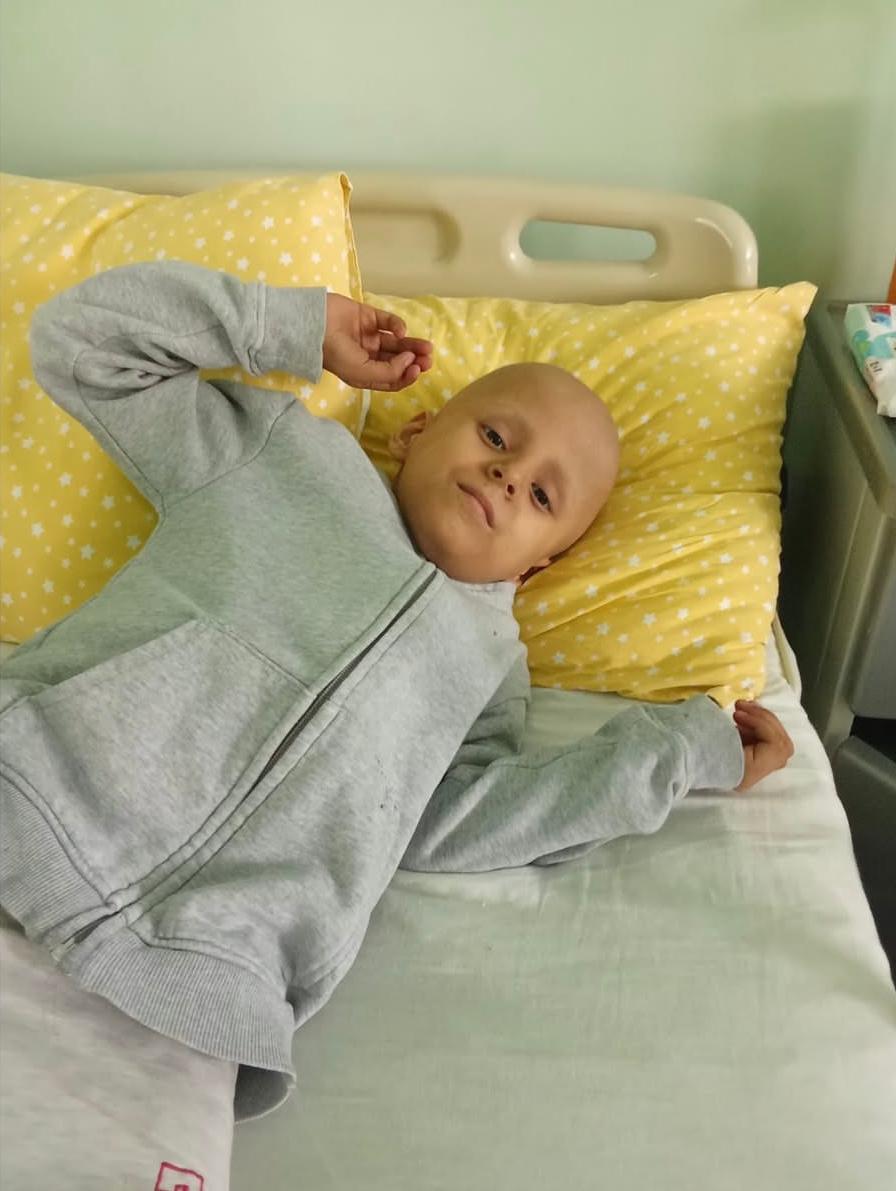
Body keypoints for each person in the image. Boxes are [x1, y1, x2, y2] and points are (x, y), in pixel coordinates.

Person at [0, 262, 793, 1175]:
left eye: (544, 496)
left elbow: (467, 816)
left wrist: (685, 751)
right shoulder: (273, 455)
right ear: (418, 429)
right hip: (36, 788)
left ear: (541, 563)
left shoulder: (490, 670)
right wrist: (295, 328)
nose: (508, 474)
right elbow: (83, 342)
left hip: (207, 976)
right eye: (496, 435)